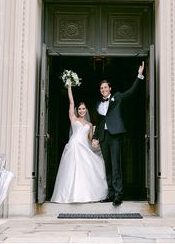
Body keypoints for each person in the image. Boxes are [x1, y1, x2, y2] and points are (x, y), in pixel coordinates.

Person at [92, 61, 144, 206]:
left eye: (105, 87)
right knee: (107, 166)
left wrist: (139, 76)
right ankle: (110, 194)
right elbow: (100, 123)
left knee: (116, 166)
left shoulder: (117, 97)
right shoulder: (98, 104)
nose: (103, 90)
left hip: (115, 136)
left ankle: (118, 195)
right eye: (101, 88)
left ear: (110, 88)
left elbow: (131, 91)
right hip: (104, 137)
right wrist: (96, 137)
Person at [51, 81, 108, 203]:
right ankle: (69, 195)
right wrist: (69, 87)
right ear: (77, 110)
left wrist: (96, 142)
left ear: (86, 110)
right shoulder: (73, 118)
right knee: (71, 171)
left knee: (85, 170)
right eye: (80, 109)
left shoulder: (89, 124)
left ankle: (84, 195)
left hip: (84, 147)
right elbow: (71, 102)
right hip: (73, 146)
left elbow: (91, 139)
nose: (81, 110)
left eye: (83, 109)